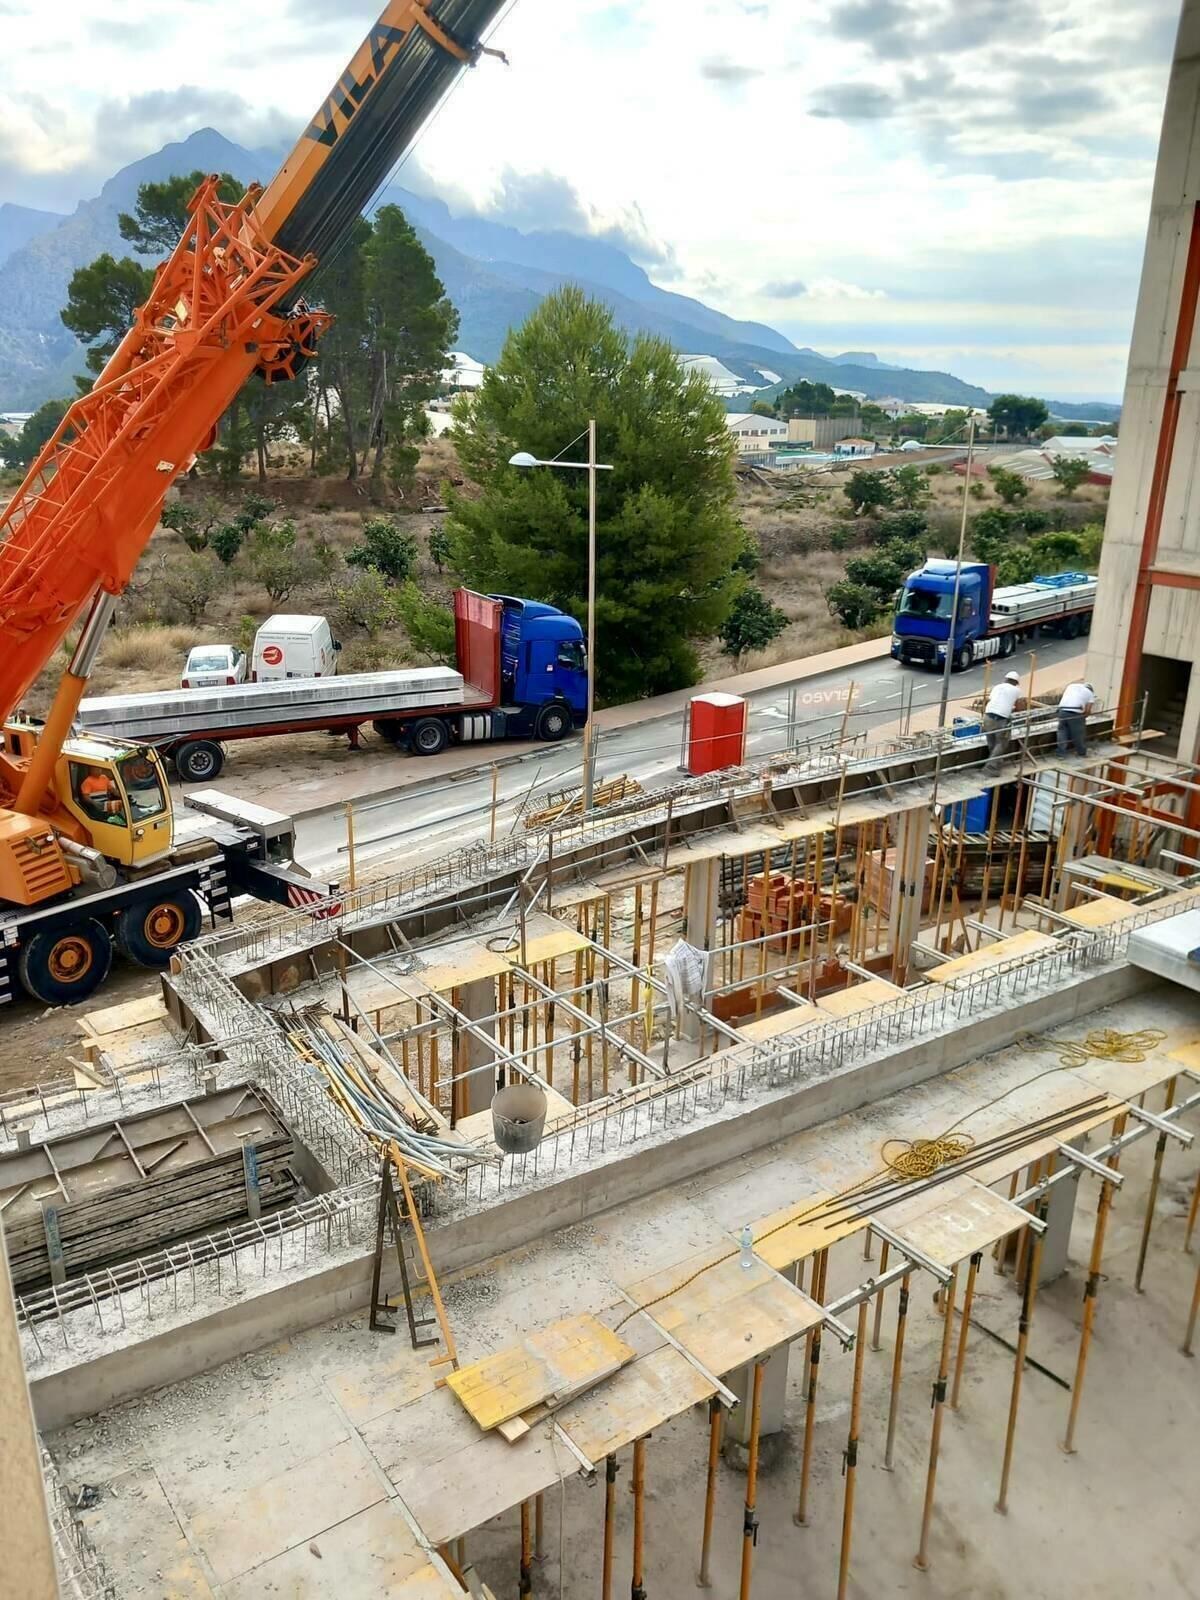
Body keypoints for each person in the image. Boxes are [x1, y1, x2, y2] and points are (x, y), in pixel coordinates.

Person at [983, 670, 1023, 767]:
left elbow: (991, 699)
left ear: (1006, 679)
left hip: (988, 716)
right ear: (1016, 682)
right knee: (1002, 742)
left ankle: (995, 762)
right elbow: (1017, 705)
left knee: (991, 741)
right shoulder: (1016, 690)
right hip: (1001, 718)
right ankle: (991, 766)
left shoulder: (997, 687)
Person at [1057, 680, 1096, 756]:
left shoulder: (1071, 686)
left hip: (1062, 710)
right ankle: (1081, 752)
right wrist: (1083, 718)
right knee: (1078, 733)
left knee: (1062, 732)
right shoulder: (1090, 694)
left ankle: (1061, 753)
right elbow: (1088, 711)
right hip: (1075, 712)